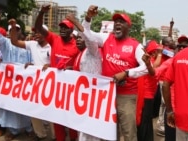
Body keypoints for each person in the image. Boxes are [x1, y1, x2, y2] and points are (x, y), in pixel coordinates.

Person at [81, 5, 148, 141]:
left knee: (128, 132)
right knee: (109, 131)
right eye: (115, 21)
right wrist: (88, 18)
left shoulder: (136, 46)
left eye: (121, 21)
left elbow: (146, 67)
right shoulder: (106, 38)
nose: (117, 23)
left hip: (126, 96)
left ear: (128, 27)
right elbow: (87, 34)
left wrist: (126, 73)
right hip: (107, 94)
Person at [35, 4, 81, 141]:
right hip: (56, 87)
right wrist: (42, 12)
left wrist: (74, 69)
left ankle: (73, 138)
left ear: (71, 31)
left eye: (65, 28)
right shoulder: (54, 39)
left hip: (72, 88)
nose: (62, 29)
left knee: (71, 117)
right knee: (57, 117)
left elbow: (82, 64)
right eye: (61, 27)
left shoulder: (77, 44)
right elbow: (38, 28)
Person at [0, 13, 36, 141]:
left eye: (16, 30)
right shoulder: (5, 43)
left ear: (20, 32)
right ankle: (13, 130)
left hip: (24, 82)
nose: (14, 32)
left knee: (25, 105)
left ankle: (28, 129)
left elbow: (33, 62)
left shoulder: (27, 46)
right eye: (11, 30)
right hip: (9, 81)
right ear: (8, 33)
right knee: (9, 106)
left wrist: (31, 65)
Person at [9, 18, 56, 140]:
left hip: (50, 84)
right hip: (35, 83)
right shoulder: (32, 44)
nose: (36, 34)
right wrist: (13, 27)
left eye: (40, 32)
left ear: (46, 34)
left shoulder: (53, 46)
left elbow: (59, 63)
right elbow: (14, 41)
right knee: (34, 110)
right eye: (35, 32)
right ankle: (40, 134)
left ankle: (56, 136)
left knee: (52, 111)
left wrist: (51, 66)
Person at [137, 40, 163, 141]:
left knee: (147, 120)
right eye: (157, 50)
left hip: (149, 94)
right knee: (145, 120)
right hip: (146, 95)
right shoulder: (149, 61)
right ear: (153, 52)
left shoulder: (150, 59)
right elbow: (154, 67)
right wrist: (160, 54)